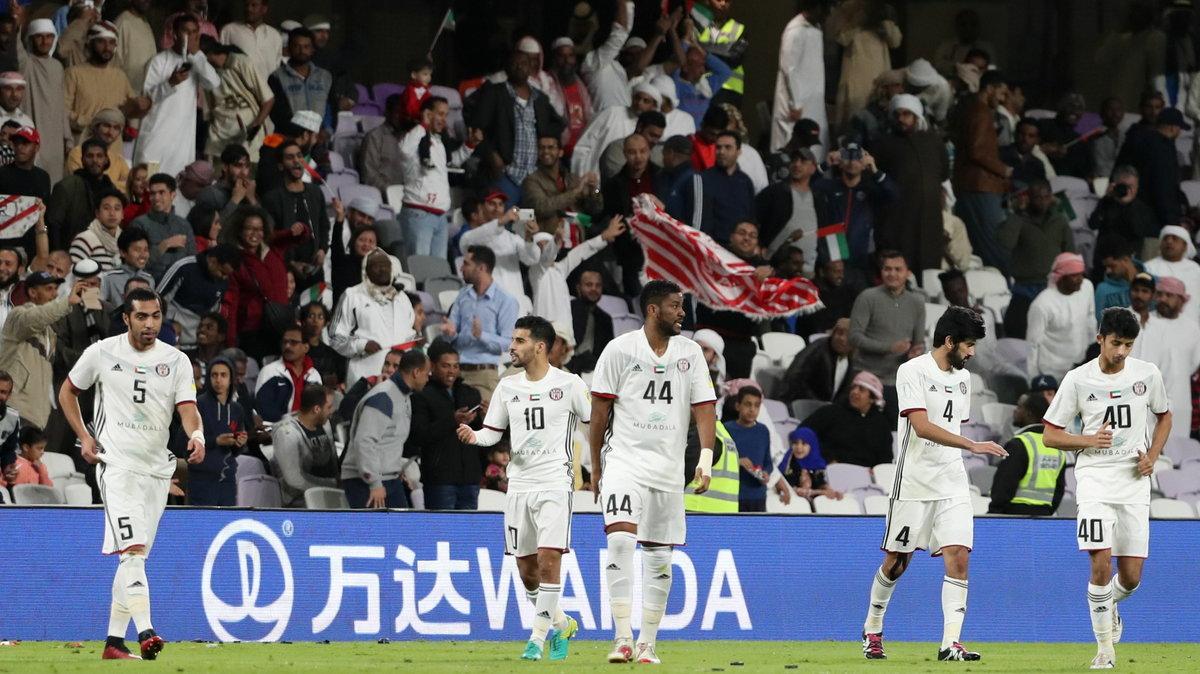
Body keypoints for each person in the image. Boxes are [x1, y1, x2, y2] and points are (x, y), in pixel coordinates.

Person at [58, 286, 202, 661]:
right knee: (133, 552)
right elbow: (67, 392)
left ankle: (113, 643)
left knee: (134, 559)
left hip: (156, 471)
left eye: (155, 316)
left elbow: (187, 408)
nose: (150, 324)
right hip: (116, 466)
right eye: (141, 316)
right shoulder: (102, 352)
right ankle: (147, 631)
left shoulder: (176, 360)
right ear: (126, 318)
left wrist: (197, 434)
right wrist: (84, 437)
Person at [859, 306, 1005, 662]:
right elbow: (922, 427)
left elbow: (952, 426)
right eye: (968, 345)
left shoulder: (964, 379)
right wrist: (972, 444)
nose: (972, 353)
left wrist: (964, 448)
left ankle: (950, 643)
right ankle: (872, 629)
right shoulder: (912, 371)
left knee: (959, 556)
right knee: (897, 563)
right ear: (950, 341)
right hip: (914, 481)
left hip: (952, 479)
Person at [589, 279, 717, 664]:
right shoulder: (619, 349)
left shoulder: (690, 353)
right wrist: (596, 467)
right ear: (652, 309)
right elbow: (599, 413)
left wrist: (705, 459)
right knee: (621, 543)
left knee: (660, 559)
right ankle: (622, 637)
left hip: (668, 470)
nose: (682, 313)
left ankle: (647, 643)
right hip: (624, 462)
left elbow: (705, 407)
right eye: (676, 306)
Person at [1043, 307, 1170, 670]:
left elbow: (1165, 416)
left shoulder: (1148, 374)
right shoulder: (1078, 380)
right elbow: (1051, 434)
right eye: (1116, 343)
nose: (1122, 352)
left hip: (1134, 482)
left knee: (1130, 579)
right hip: (1095, 480)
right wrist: (1087, 439)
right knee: (1100, 561)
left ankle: (1109, 605)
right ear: (1100, 339)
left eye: (1129, 345)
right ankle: (1104, 650)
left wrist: (1154, 455)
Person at [869, 94, 950, 273]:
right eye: (897, 114)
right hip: (899, 219)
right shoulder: (884, 144)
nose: (901, 119)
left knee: (929, 268)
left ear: (916, 116)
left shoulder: (933, 141)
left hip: (930, 218)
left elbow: (943, 173)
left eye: (906, 114)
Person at [134, 15, 219, 179]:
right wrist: (170, 83)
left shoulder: (196, 62)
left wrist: (197, 55)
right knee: (151, 185)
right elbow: (146, 98)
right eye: (185, 31)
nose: (190, 36)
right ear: (174, 34)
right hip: (156, 141)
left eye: (194, 32)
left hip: (181, 144)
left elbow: (213, 83)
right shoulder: (158, 61)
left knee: (177, 189)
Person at [343, 349, 429, 509]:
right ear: (416, 372)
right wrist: (374, 483)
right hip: (365, 481)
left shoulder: (403, 396)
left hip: (390, 478)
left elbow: (389, 440)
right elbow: (364, 441)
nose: (427, 379)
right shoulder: (383, 397)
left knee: (401, 532)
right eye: (426, 374)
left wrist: (395, 466)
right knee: (373, 533)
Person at [0, 270, 83, 429]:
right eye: (49, 289)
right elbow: (35, 318)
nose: (54, 294)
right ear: (32, 292)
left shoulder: (49, 332)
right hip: (14, 407)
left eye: (56, 289)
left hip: (37, 414)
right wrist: (67, 302)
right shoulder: (17, 316)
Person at [407, 341, 485, 510]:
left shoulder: (471, 394)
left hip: (470, 479)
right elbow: (419, 435)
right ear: (432, 366)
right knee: (441, 532)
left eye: (456, 366)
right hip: (439, 480)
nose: (452, 371)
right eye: (446, 366)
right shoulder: (421, 396)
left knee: (467, 533)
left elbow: (481, 434)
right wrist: (453, 420)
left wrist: (484, 418)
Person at [397, 96, 476, 258]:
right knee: (419, 268)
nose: (444, 119)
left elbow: (450, 163)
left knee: (437, 270)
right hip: (419, 213)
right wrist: (423, 125)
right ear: (427, 114)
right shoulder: (415, 137)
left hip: (440, 215)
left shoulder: (439, 141)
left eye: (446, 115)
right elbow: (404, 149)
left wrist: (470, 145)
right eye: (440, 114)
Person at [849, 251, 925, 415]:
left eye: (898, 269)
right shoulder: (867, 297)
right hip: (866, 377)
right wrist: (889, 348)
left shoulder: (917, 303)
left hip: (898, 381)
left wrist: (916, 352)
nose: (892, 274)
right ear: (881, 271)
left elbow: (919, 343)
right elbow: (854, 337)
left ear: (908, 273)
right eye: (887, 269)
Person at [440, 246, 519, 401]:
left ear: (481, 268)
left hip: (483, 374)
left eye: (466, 264)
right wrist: (450, 333)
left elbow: (508, 343)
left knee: (486, 423)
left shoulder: (506, 301)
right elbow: (453, 331)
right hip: (456, 372)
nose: (461, 268)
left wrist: (481, 336)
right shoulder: (463, 295)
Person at [330, 250, 416, 386]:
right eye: (376, 265)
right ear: (366, 270)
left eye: (386, 265)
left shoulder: (402, 298)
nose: (382, 269)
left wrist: (414, 343)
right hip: (364, 376)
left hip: (398, 379)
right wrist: (361, 345)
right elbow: (335, 337)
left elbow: (409, 334)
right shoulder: (352, 295)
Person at [1130, 277, 1200, 438]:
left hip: (1181, 396)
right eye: (1160, 294)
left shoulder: (1192, 328)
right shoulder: (1146, 323)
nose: (1163, 299)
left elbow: (1194, 364)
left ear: (1181, 300)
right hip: (1146, 395)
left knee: (1177, 447)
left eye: (1169, 295)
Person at [63, 22, 151, 144]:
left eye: (111, 43)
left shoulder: (120, 76)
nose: (107, 48)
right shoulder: (73, 73)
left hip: (113, 151)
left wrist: (143, 106)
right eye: (101, 42)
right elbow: (62, 112)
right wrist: (95, 123)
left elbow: (129, 112)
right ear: (90, 43)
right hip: (83, 148)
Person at [1116, 107, 1187, 248]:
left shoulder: (1133, 141)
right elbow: (1163, 189)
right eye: (1179, 129)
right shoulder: (1163, 150)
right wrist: (1172, 224)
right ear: (1173, 128)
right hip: (1151, 222)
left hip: (1123, 215)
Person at [261, 139, 328, 288]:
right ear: (280, 165)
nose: (296, 161)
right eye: (290, 158)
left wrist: (322, 249)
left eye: (299, 156)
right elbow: (268, 237)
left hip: (314, 270)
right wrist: (289, 263)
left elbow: (323, 224)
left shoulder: (315, 192)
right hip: (285, 273)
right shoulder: (272, 199)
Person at [998, 179, 1076, 303]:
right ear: (1029, 198)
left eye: (1046, 197)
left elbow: (1070, 251)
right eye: (1038, 198)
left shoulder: (1060, 220)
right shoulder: (1018, 219)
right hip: (1024, 286)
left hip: (1053, 284)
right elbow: (1007, 242)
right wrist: (1018, 213)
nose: (1043, 202)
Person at [988, 392, 1064, 515]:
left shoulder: (1019, 444)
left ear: (1028, 413)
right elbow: (1059, 491)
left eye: (1019, 407)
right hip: (1044, 518)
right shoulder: (1056, 448)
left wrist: (994, 514)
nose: (1015, 410)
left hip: (1013, 517)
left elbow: (1004, 487)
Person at [201, 36, 275, 161]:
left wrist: (254, 126)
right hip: (219, 138)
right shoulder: (205, 73)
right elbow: (209, 111)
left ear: (209, 54)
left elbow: (268, 99)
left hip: (247, 139)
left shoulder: (242, 63)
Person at [1027, 253, 1096, 381]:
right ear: (1061, 277)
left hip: (1081, 366)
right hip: (1052, 371)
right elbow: (1033, 344)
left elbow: (1090, 320)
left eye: (1081, 274)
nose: (1080, 279)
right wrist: (1033, 379)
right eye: (1074, 275)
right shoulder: (1042, 304)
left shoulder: (1087, 287)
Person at [156, 243, 240, 348]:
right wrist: (165, 329)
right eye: (222, 272)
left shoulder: (223, 281)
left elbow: (214, 312)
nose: (224, 277)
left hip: (198, 343)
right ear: (213, 261)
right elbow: (156, 300)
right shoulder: (183, 267)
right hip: (170, 338)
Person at [19, 19, 71, 185]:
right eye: (39, 37)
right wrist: (18, 22)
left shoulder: (57, 67)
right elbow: (18, 50)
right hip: (32, 133)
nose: (44, 41)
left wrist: (67, 138)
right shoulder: (27, 64)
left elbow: (61, 105)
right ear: (31, 39)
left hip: (55, 140)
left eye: (49, 37)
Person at [771, 2, 829, 152]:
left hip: (813, 98)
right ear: (815, 8)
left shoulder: (816, 29)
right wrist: (795, 103)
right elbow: (789, 68)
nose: (827, 15)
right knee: (792, 141)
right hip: (795, 103)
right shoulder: (795, 31)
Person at [190, 357, 248, 506]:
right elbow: (182, 443)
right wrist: (215, 441)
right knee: (204, 527)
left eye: (223, 375)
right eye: (214, 375)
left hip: (228, 480)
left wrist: (239, 443)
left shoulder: (236, 409)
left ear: (231, 379)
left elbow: (235, 452)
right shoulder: (198, 405)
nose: (218, 380)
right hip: (202, 481)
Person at [682, 131, 755, 247]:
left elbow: (750, 216)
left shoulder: (745, 181)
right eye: (718, 147)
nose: (721, 152)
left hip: (739, 248)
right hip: (712, 245)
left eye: (728, 147)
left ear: (739, 152)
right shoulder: (704, 179)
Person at [571, 84, 660, 179]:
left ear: (654, 106)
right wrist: (580, 174)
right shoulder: (611, 113)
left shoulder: (650, 129)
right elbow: (584, 144)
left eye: (645, 101)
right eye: (637, 98)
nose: (639, 103)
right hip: (592, 176)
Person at [457, 202, 540, 303]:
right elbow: (466, 242)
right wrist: (500, 222)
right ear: (481, 208)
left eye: (500, 205)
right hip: (485, 300)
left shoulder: (513, 238)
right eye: (492, 204)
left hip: (513, 297)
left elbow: (532, 259)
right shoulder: (472, 236)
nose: (497, 209)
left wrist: (529, 238)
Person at [271, 383, 337, 508]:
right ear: (316, 409)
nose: (332, 411)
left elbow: (333, 460)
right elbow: (294, 479)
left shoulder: (324, 423)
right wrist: (331, 485)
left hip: (331, 492)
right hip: (300, 501)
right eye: (329, 407)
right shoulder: (287, 434)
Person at [47, 139, 118, 253]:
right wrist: (58, 253)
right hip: (70, 253)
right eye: (90, 156)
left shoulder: (112, 190)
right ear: (82, 159)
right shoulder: (66, 187)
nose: (95, 160)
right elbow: (52, 225)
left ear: (106, 159)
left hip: (104, 253)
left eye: (99, 156)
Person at [523, 134, 603, 235]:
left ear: (560, 152)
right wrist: (575, 193)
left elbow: (595, 209)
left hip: (577, 240)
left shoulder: (572, 179)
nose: (546, 151)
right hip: (550, 241)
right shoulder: (532, 181)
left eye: (551, 147)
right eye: (541, 148)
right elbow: (541, 208)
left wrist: (593, 191)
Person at [755, 147, 821, 267]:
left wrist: (835, 260)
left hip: (808, 268)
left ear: (813, 168)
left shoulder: (819, 198)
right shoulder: (775, 192)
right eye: (794, 160)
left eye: (803, 161)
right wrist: (758, 246)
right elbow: (752, 219)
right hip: (775, 266)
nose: (796, 164)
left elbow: (832, 228)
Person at [1088, 166, 1157, 263]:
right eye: (1123, 186)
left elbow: (1139, 231)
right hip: (1106, 257)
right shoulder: (1107, 203)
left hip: (1130, 258)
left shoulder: (1142, 207)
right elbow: (1093, 224)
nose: (1127, 190)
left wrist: (1128, 205)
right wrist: (1105, 199)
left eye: (1131, 186)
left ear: (1137, 187)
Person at [267, 27, 332, 130]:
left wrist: (326, 130)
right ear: (289, 48)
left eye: (306, 47)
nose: (302, 51)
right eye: (297, 46)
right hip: (291, 139)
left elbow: (330, 105)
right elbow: (278, 114)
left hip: (321, 138)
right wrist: (300, 134)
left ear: (312, 49)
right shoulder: (276, 77)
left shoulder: (325, 77)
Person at [254, 325, 322, 423]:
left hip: (306, 429)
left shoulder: (314, 375)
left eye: (293, 342)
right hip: (275, 429)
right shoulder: (270, 371)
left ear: (306, 347)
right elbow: (263, 409)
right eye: (284, 342)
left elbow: (317, 408)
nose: (287, 346)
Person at [785, 318, 856, 403]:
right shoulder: (817, 350)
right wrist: (818, 403)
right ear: (833, 334)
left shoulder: (852, 359)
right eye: (839, 333)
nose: (842, 339)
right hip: (803, 405)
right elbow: (795, 380)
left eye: (848, 336)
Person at [725, 386, 772, 513]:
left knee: (757, 532)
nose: (752, 410)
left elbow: (768, 462)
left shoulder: (763, 431)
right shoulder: (726, 430)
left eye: (757, 405)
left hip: (758, 496)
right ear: (738, 406)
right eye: (748, 404)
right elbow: (717, 460)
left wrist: (766, 473)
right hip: (733, 495)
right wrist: (737, 461)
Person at [219, 0, 284, 87]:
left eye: (254, 5)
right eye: (246, 5)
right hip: (239, 93)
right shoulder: (229, 30)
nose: (249, 9)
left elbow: (277, 68)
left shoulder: (274, 35)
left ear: (264, 9)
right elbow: (221, 64)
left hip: (268, 93)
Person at [65, 109, 132, 192]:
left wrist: (103, 184)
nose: (110, 132)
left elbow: (129, 185)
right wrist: (114, 185)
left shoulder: (119, 159)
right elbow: (83, 184)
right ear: (96, 127)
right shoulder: (78, 153)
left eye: (116, 128)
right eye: (107, 126)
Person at [1144, 225, 1200, 324]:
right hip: (1156, 324)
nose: (1169, 242)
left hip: (1190, 324)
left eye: (1174, 239)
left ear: (1184, 246)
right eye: (1165, 239)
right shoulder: (1148, 267)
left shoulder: (1196, 269)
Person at [779, 426, 843, 502]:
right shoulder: (788, 464)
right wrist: (823, 492)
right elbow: (797, 491)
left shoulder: (816, 464)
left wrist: (833, 492)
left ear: (812, 445)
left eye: (804, 443)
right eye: (795, 443)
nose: (799, 447)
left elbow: (821, 484)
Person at [358, 94, 405, 193]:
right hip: (383, 196)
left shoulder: (411, 137)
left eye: (404, 113)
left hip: (409, 197)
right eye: (397, 112)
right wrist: (393, 193)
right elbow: (369, 177)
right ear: (387, 113)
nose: (401, 117)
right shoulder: (374, 137)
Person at [570, 268, 613, 374]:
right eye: (589, 285)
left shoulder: (605, 319)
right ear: (578, 288)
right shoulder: (568, 310)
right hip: (568, 367)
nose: (594, 289)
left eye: (598, 285)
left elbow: (609, 353)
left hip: (595, 371)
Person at [70, 189, 126, 271]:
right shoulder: (84, 239)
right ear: (97, 213)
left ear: (122, 214)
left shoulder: (125, 240)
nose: (112, 213)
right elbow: (74, 273)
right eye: (106, 208)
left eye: (117, 209)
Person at [100, 228, 154, 309]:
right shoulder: (108, 278)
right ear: (123, 253)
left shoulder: (149, 279)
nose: (143, 255)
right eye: (137, 250)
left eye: (146, 250)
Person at [1094, 238, 1147, 321]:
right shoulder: (1103, 290)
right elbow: (1099, 324)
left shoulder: (1153, 283)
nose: (1108, 271)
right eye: (1106, 267)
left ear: (1125, 260)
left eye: (1112, 266)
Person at [0, 425, 52, 489]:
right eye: (39, 448)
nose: (42, 452)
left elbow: (49, 490)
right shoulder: (12, 463)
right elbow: (2, 486)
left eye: (43, 448)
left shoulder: (40, 467)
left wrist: (42, 471)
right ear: (26, 448)